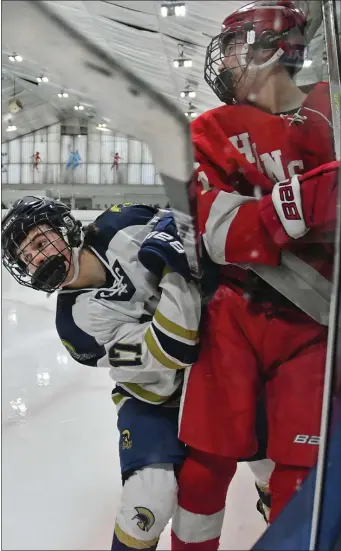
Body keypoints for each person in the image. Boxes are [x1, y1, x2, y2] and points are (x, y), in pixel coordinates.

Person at [170, 1, 340, 549]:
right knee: (200, 470)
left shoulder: (331, 113)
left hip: (314, 330)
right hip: (230, 321)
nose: (226, 63)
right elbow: (216, 230)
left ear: (271, 47)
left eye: (238, 46)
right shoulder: (206, 129)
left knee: (302, 479)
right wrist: (311, 201)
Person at [1, 197, 201, 551]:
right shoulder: (76, 330)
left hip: (220, 371)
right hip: (153, 399)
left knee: (265, 462)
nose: (35, 259)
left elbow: (195, 232)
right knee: (149, 499)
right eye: (25, 258)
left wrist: (180, 231)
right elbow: (172, 348)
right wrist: (175, 269)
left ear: (63, 226)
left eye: (38, 242)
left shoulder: (124, 222)